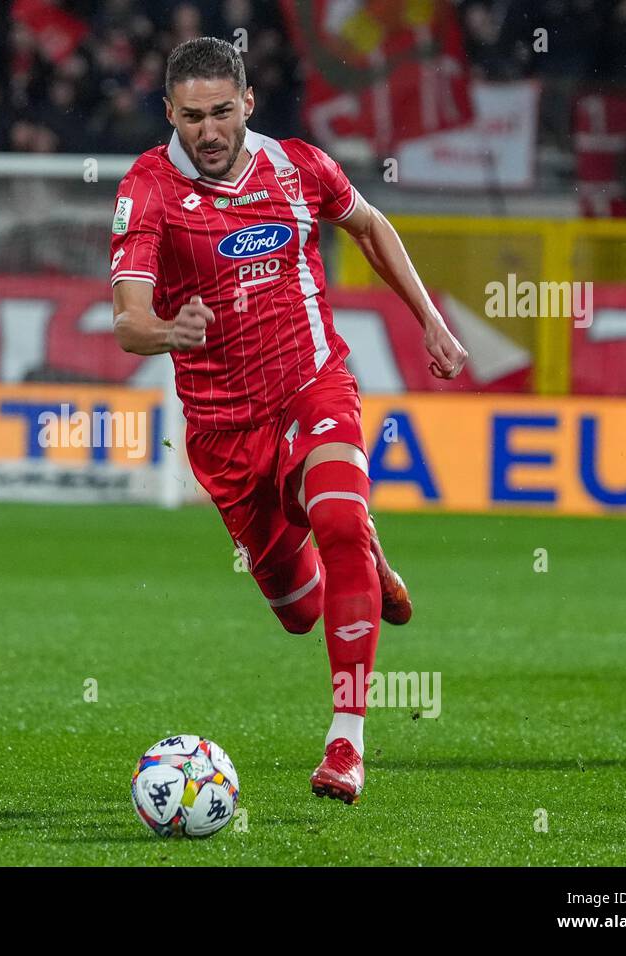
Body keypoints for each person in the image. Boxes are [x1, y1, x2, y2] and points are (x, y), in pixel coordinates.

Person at [111, 38, 467, 804]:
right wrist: (171, 331)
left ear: (248, 104)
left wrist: (430, 321)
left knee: (337, 517)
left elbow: (369, 226)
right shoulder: (148, 190)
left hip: (312, 385)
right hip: (222, 434)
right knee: (301, 612)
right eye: (193, 116)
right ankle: (365, 563)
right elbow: (129, 321)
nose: (209, 131)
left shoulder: (300, 166)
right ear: (169, 113)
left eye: (222, 112)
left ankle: (347, 742)